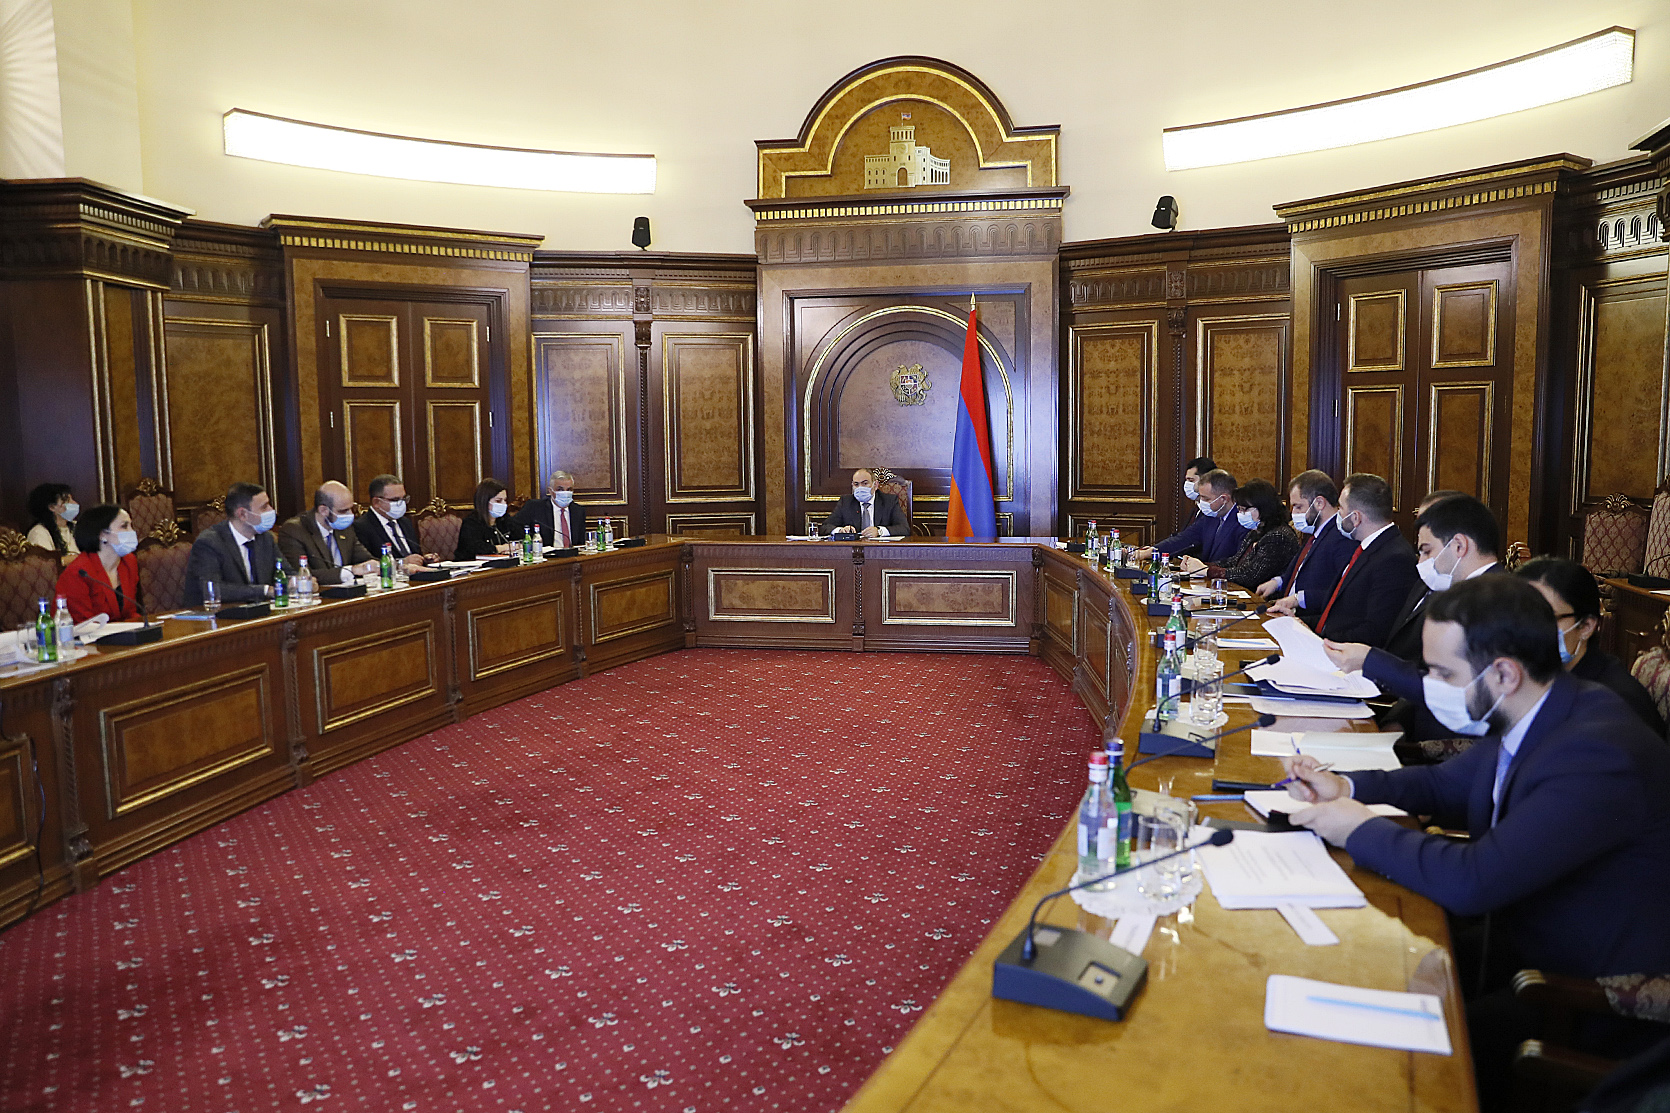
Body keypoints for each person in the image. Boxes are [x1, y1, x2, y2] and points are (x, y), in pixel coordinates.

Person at [1281, 575, 1670, 1111]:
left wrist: (1355, 827)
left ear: (1504, 673)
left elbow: (1473, 880)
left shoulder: (1595, 750)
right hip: (1519, 940)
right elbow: (1444, 784)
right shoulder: (1541, 706)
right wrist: (1345, 786)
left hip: (1584, 998)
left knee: (1378, 1069)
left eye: (1443, 674)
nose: (1431, 684)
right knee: (1357, 959)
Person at [1324, 495, 1504, 724]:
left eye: (1427, 551)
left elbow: (1455, 695)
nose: (1420, 563)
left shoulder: (1495, 602)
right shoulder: (1467, 591)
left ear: (1459, 546)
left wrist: (1370, 661)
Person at [1517, 556, 1666, 735]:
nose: (1527, 629)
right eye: (1519, 617)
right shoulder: (1533, 677)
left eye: (1545, 618)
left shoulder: (1613, 703)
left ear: (1586, 626)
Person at [1268, 472, 1417, 646]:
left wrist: (1319, 636)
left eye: (1341, 508)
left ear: (1355, 518)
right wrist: (1299, 623)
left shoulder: (1394, 558)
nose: (1337, 514)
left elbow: (1375, 631)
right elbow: (1338, 611)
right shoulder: (1367, 548)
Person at [1258, 470, 1354, 613]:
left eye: (1299, 507)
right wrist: (1277, 582)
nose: (1294, 513)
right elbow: (1299, 571)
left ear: (1319, 503)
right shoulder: (1316, 533)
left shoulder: (1341, 536)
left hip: (1310, 618)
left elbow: (1342, 593)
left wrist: (1299, 599)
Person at [183, 482, 285, 606]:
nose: (271, 510)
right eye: (264, 507)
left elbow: (286, 572)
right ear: (242, 514)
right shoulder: (209, 542)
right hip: (216, 613)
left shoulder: (266, 538)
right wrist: (264, 590)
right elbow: (214, 588)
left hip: (258, 611)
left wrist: (296, 581)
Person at [1201, 479, 1301, 591]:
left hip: (1264, 597)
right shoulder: (1256, 532)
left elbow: (1250, 576)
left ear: (1263, 507)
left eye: (1244, 509)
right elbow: (1235, 561)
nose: (1241, 514)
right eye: (1239, 509)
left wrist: (1207, 571)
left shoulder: (1279, 536)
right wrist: (1202, 566)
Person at [1136, 468, 1248, 565]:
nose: (1201, 502)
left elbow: (1237, 562)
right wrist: (1150, 552)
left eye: (1206, 498)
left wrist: (1204, 568)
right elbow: (1185, 539)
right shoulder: (1210, 516)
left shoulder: (1243, 521)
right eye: (1200, 497)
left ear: (1224, 499)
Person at [278, 481, 379, 586]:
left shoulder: (344, 528)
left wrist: (376, 565)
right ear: (323, 510)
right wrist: (351, 571)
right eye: (343, 511)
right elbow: (301, 575)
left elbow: (365, 558)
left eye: (351, 508)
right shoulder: (294, 530)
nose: (351, 514)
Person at [54, 504, 141, 623]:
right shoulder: (78, 572)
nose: (132, 532)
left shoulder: (128, 562)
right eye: (124, 526)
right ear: (102, 535)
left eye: (131, 526)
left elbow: (130, 612)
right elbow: (82, 623)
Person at [355, 474, 432, 568]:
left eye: (404, 498)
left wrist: (424, 559)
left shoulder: (405, 522)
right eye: (395, 500)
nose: (401, 503)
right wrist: (401, 562)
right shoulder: (361, 527)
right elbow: (367, 563)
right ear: (376, 502)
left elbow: (415, 553)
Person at [822, 469, 908, 537]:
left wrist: (879, 531)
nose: (860, 488)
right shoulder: (846, 502)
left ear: (875, 485)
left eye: (865, 483)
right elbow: (824, 527)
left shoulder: (889, 501)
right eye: (856, 484)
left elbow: (904, 528)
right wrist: (840, 530)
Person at [515, 469, 588, 548]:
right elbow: (515, 528)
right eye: (560, 489)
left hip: (573, 554)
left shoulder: (578, 511)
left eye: (569, 490)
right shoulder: (534, 507)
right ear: (550, 491)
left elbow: (580, 542)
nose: (565, 493)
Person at [455, 479, 524, 559]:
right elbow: (474, 549)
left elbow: (522, 538)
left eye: (505, 500)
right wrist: (501, 548)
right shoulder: (471, 523)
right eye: (498, 501)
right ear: (484, 501)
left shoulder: (505, 520)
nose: (504, 504)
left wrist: (516, 547)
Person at [26, 482, 80, 567]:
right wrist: (76, 558)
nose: (74, 504)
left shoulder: (77, 526)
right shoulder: (39, 532)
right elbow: (45, 565)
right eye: (67, 501)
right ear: (52, 507)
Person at [1178, 455, 1216, 532]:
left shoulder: (1212, 511)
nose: (1187, 484)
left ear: (1206, 480)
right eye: (1186, 480)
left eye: (1191, 480)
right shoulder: (1196, 509)